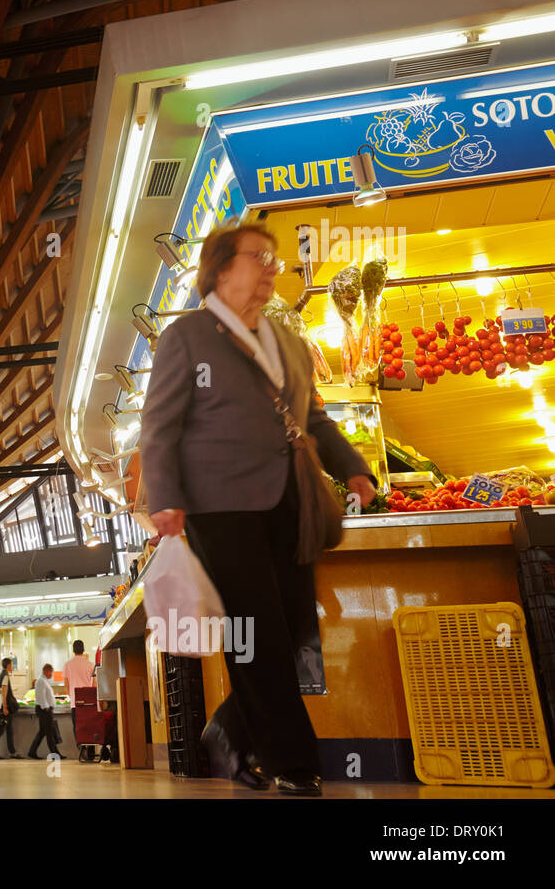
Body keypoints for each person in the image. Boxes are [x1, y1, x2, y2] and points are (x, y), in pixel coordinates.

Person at [141, 220, 377, 797]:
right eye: (258, 257)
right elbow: (160, 424)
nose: (271, 268)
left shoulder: (288, 340)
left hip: (290, 497)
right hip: (220, 506)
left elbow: (313, 416)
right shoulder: (188, 337)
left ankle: (226, 730)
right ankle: (294, 764)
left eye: (274, 259)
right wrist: (165, 498)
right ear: (221, 268)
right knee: (257, 631)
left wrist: (354, 466)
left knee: (296, 627)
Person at [64, 640, 96, 760]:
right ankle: (91, 749)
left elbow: (66, 683)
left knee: (77, 727)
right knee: (90, 726)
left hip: (75, 703)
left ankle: (81, 747)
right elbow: (94, 684)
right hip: (89, 702)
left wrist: (70, 695)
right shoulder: (90, 664)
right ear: (83, 650)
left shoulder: (68, 665)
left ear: (73, 650)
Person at [26, 663, 60, 759]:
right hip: (44, 710)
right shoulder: (41, 681)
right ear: (46, 671)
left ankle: (32, 752)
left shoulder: (44, 681)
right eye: (51, 672)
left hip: (45, 709)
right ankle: (55, 754)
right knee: (49, 733)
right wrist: (46, 707)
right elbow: (41, 696)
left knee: (43, 732)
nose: (51, 675)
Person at [0, 657, 21, 758]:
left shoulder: (2, 675)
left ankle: (12, 752)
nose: (12, 667)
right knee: (1, 730)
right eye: (11, 664)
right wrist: (5, 707)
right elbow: (4, 691)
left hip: (0, 706)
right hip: (3, 707)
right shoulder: (5, 676)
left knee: (9, 729)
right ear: (8, 665)